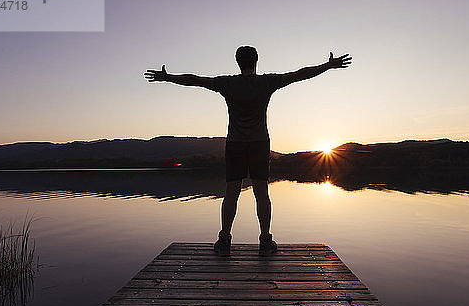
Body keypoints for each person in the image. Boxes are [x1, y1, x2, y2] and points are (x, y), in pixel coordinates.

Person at [144, 46, 351, 256]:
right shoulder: (267, 82)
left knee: (231, 195)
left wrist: (167, 77)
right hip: (260, 144)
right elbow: (300, 74)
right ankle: (265, 241)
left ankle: (224, 240)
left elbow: (195, 79)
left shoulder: (227, 83)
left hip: (235, 144)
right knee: (262, 194)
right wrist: (328, 65)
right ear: (256, 60)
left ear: (237, 62)